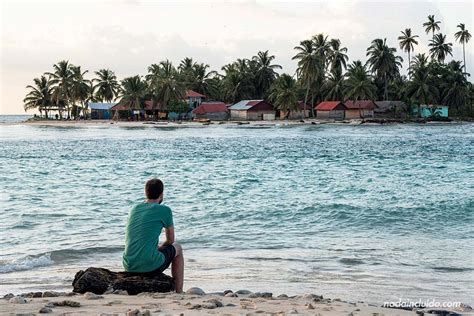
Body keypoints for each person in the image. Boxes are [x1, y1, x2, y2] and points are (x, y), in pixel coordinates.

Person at [123, 178, 184, 293]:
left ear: (146, 193)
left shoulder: (134, 208)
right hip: (150, 266)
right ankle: (179, 290)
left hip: (129, 265)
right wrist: (161, 247)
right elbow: (170, 240)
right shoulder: (165, 210)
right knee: (178, 248)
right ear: (161, 195)